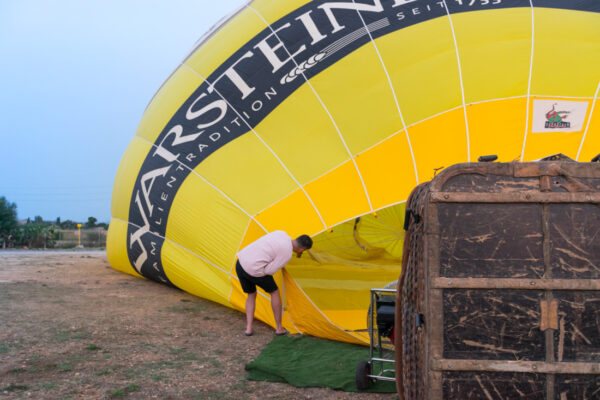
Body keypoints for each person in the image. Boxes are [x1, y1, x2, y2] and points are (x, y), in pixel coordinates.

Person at [236, 231, 313, 336]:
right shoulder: (287, 254)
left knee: (251, 294)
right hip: (254, 270)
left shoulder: (281, 233)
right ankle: (279, 328)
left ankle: (248, 329)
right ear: (302, 249)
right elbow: (269, 271)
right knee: (274, 292)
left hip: (240, 262)